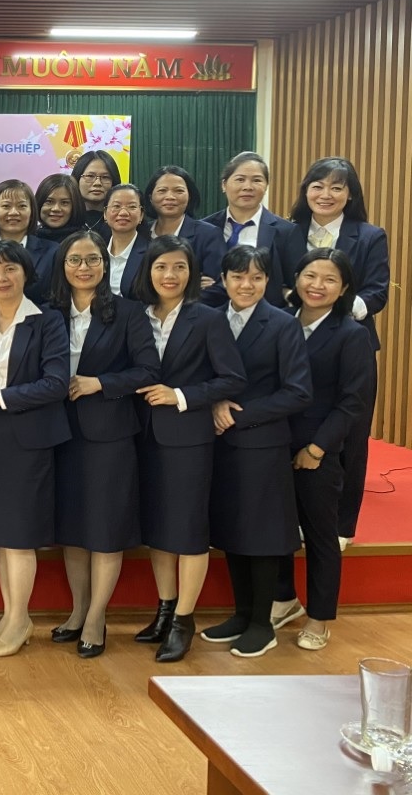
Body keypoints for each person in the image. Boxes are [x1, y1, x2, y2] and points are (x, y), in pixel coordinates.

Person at [131, 235, 245, 663]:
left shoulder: (208, 318)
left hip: (188, 439)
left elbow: (232, 378)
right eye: (161, 267)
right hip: (141, 436)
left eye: (179, 267)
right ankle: (164, 610)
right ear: (148, 271)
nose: (170, 275)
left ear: (192, 272)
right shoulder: (136, 315)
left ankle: (184, 619)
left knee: (189, 530)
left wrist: (180, 395)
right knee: (158, 529)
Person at [49, 231, 160, 658]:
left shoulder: (129, 312)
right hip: (60, 433)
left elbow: (148, 370)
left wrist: (101, 383)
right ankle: (78, 611)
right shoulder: (49, 312)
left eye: (92, 259)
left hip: (109, 435)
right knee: (73, 530)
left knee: (105, 529)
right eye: (75, 259)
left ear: (105, 264)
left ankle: (97, 617)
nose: (84, 267)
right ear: (62, 265)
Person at [0, 240, 71, 658]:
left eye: (10, 269)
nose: (2, 277)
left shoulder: (47, 321)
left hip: (29, 439)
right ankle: (10, 617)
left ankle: (22, 618)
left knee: (20, 536)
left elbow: (55, 383)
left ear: (26, 273)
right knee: (0, 534)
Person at [203, 245, 312, 658]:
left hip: (261, 442)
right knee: (232, 529)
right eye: (237, 276)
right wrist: (214, 404)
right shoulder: (211, 318)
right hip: (219, 443)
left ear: (268, 280)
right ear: (223, 280)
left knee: (261, 534)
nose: (246, 285)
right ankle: (241, 613)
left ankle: (263, 624)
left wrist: (240, 415)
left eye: (256, 277)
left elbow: (298, 391)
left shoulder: (283, 324)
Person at [271, 248, 376, 652]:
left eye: (330, 279)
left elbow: (353, 402)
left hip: (319, 449)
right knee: (277, 529)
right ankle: (284, 599)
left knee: (320, 536)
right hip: (273, 443)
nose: (317, 285)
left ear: (344, 288)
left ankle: (319, 617)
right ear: (296, 278)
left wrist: (317, 449)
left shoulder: (351, 334)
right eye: (310, 275)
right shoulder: (280, 322)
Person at [283, 157, 388, 545]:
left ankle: (343, 524)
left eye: (336, 187)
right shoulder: (287, 232)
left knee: (351, 433)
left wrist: (335, 309)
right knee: (296, 427)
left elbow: (377, 291)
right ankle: (294, 515)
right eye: (317, 186)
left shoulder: (370, 235)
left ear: (350, 194)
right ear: (305, 191)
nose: (325, 194)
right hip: (294, 341)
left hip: (348, 342)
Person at [200, 151, 295, 308]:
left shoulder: (286, 231)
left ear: (266, 186)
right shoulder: (204, 228)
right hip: (210, 314)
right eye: (240, 179)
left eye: (257, 180)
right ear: (224, 185)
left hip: (265, 317)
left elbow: (294, 284)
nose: (248, 187)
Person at [140, 165, 224, 298]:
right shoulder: (140, 234)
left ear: (189, 196)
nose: (170, 197)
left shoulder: (208, 234)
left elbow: (217, 287)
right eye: (162, 191)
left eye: (178, 191)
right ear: (150, 197)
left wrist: (175, 303)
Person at [0, 178, 57, 303]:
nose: (14, 212)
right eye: (6, 206)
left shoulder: (52, 252)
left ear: (32, 212)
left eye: (22, 206)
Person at [99, 183, 150, 299]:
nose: (123, 213)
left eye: (132, 207)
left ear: (141, 215)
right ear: (105, 214)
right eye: (116, 206)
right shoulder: (96, 250)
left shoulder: (152, 253)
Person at [70, 150, 120, 226]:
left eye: (105, 177)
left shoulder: (122, 219)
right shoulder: (65, 218)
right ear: (77, 178)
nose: (97, 183)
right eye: (90, 176)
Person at [33, 173, 87, 243]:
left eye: (64, 203)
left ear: (75, 206)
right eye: (49, 201)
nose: (56, 209)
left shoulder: (84, 242)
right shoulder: (28, 239)